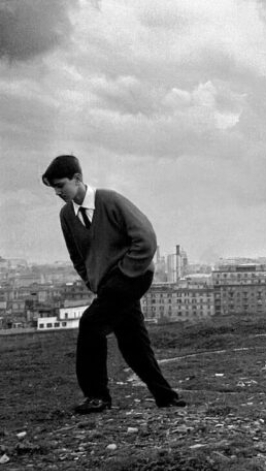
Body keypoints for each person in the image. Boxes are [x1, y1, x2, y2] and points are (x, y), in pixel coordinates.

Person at [41, 155, 185, 413]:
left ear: (77, 178)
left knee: (90, 325)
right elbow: (77, 255)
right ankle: (166, 397)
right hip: (107, 285)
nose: (58, 192)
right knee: (132, 341)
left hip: (134, 276)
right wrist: (93, 282)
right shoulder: (66, 215)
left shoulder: (110, 200)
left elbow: (146, 238)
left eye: (61, 184)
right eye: (54, 188)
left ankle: (97, 396)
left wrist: (126, 272)